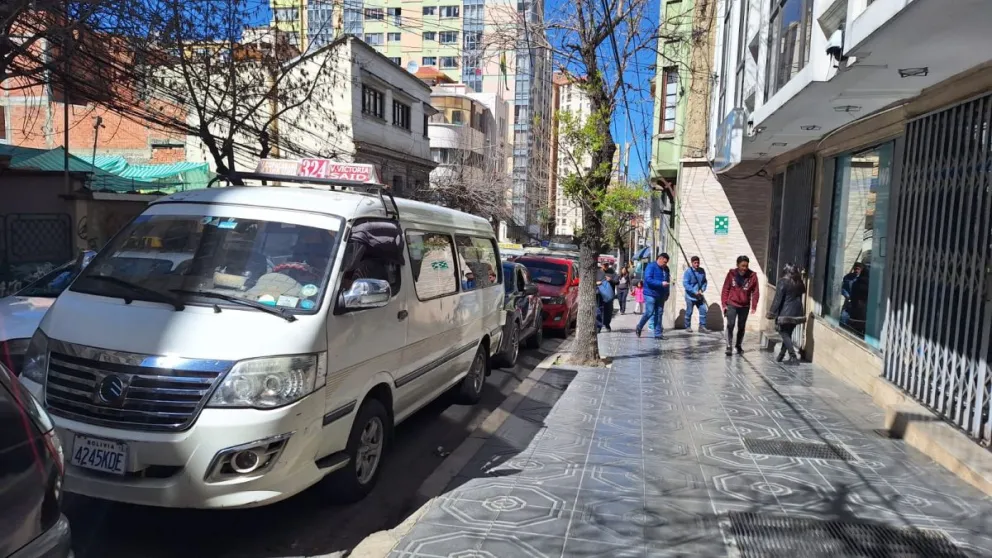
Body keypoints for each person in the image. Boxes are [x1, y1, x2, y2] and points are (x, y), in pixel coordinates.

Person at [721, 255, 760, 356]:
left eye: (746, 266)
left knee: (741, 326)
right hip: (732, 304)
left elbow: (755, 292)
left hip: (744, 306)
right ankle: (729, 346)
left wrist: (754, 306)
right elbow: (726, 289)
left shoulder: (752, 276)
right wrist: (724, 304)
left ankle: (738, 345)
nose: (744, 268)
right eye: (742, 266)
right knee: (730, 324)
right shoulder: (731, 274)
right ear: (737, 265)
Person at [767, 263, 806, 364]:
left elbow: (777, 299)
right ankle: (781, 355)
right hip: (797, 311)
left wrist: (771, 312)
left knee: (784, 333)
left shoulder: (783, 282)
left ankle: (793, 356)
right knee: (788, 334)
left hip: (786, 311)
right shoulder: (799, 282)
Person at [635, 253, 671, 340]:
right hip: (650, 293)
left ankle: (658, 334)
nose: (665, 264)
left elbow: (667, 281)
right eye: (664, 262)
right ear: (660, 259)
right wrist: (660, 283)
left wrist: (667, 293)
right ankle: (639, 327)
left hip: (661, 294)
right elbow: (648, 279)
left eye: (666, 263)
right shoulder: (651, 266)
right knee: (649, 312)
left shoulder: (666, 269)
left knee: (659, 313)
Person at [682, 256, 708, 332]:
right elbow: (685, 284)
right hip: (690, 296)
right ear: (692, 263)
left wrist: (702, 289)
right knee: (689, 311)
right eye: (695, 263)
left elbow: (705, 282)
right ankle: (687, 326)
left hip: (699, 296)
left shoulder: (702, 271)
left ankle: (702, 326)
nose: (697, 264)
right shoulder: (688, 272)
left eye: (698, 262)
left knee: (703, 309)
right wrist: (694, 291)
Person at [596, 263, 618, 332]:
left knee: (608, 311)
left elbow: (617, 281)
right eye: (604, 265)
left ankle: (607, 324)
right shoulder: (597, 272)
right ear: (602, 265)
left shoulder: (612, 272)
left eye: (607, 265)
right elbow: (591, 281)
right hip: (599, 294)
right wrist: (596, 283)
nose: (606, 266)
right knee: (598, 310)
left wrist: (611, 280)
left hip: (609, 295)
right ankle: (598, 326)